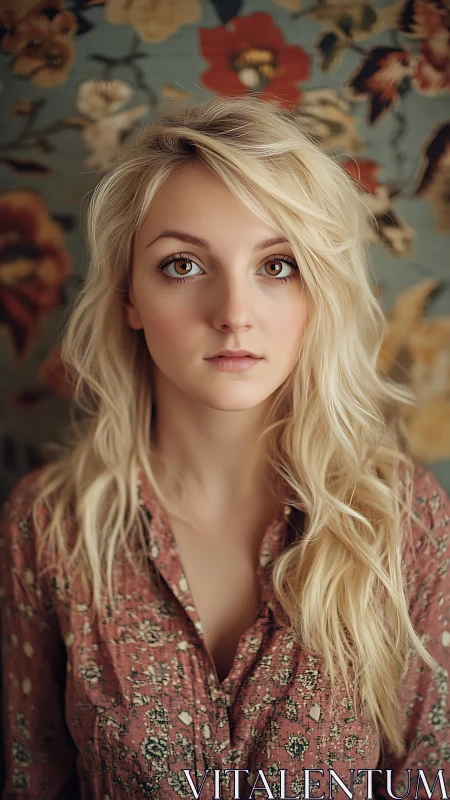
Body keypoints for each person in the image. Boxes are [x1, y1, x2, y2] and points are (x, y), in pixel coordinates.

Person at [1, 94, 449, 800]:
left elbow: (432, 780)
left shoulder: (405, 520)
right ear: (128, 296)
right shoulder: (48, 527)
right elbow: (31, 780)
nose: (234, 314)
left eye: (277, 266)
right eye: (183, 265)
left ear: (318, 291)